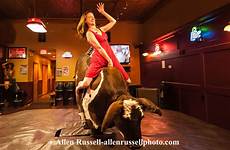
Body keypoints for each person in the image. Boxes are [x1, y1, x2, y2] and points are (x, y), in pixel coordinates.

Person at [76, 2, 131, 91]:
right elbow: (99, 48)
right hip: (99, 59)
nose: (92, 18)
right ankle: (78, 86)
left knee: (128, 80)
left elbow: (113, 21)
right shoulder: (89, 33)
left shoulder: (101, 29)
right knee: (86, 84)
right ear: (85, 20)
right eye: (89, 17)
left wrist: (103, 12)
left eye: (93, 16)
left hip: (111, 56)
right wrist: (108, 60)